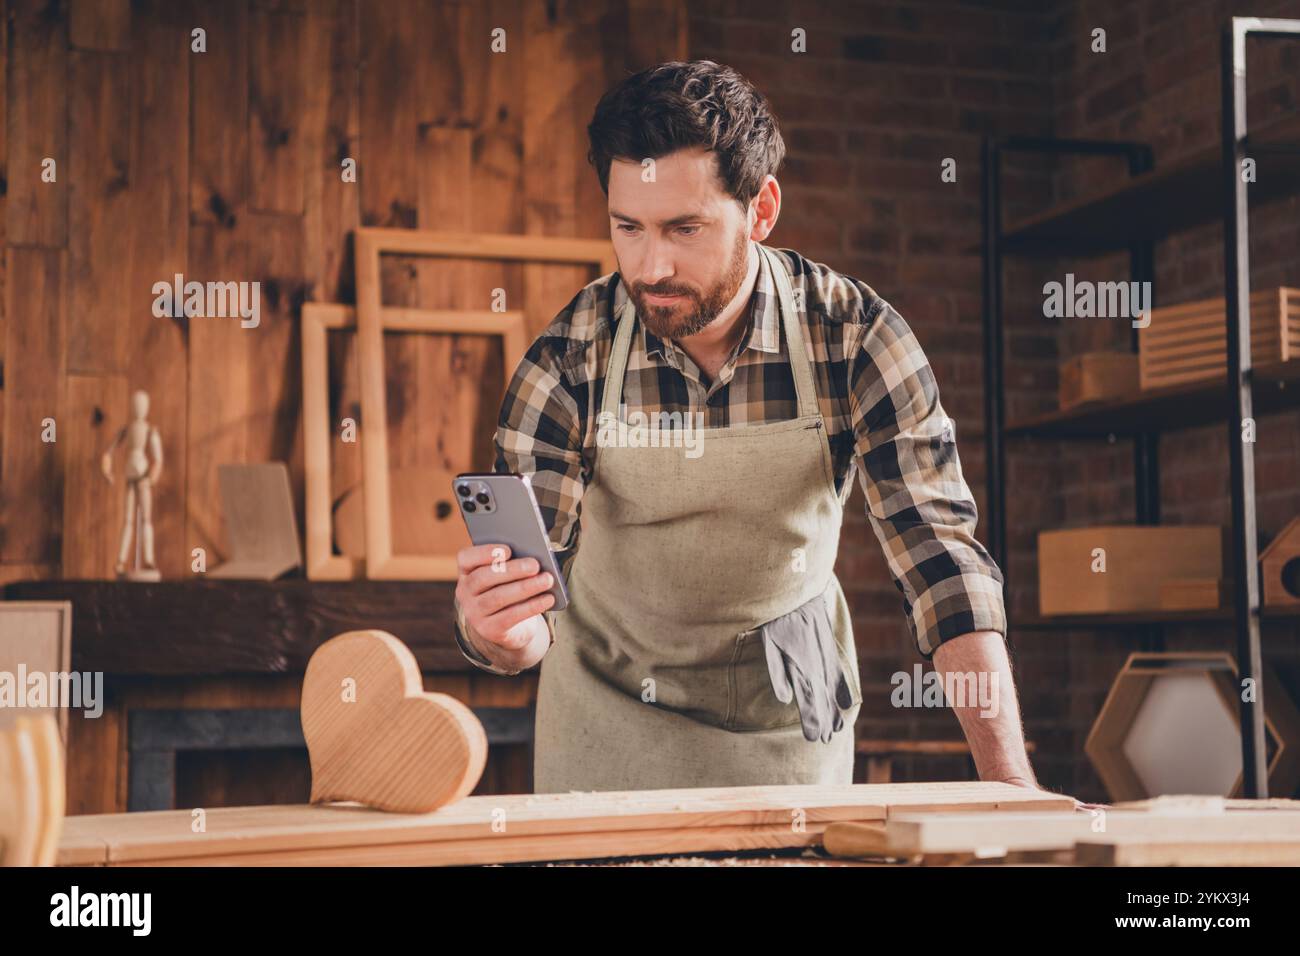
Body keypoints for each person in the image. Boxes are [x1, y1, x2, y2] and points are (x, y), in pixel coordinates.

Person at [453, 60, 1037, 796]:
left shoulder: (854, 338)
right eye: (627, 227)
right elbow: (527, 606)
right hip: (608, 724)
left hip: (789, 720)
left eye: (684, 228)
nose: (652, 265)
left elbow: (942, 566)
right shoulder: (571, 357)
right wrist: (498, 633)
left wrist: (1007, 778)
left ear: (761, 211)